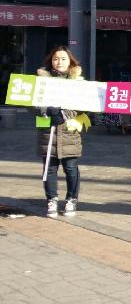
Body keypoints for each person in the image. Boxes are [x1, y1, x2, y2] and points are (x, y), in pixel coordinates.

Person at [37, 46, 90, 217]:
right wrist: (46, 110)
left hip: (70, 131)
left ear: (70, 61)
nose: (59, 62)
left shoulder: (78, 82)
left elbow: (85, 105)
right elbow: (30, 103)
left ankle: (72, 199)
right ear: (51, 61)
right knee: (49, 168)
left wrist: (65, 114)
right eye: (55, 58)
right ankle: (51, 199)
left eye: (63, 58)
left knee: (71, 168)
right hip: (48, 132)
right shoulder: (41, 80)